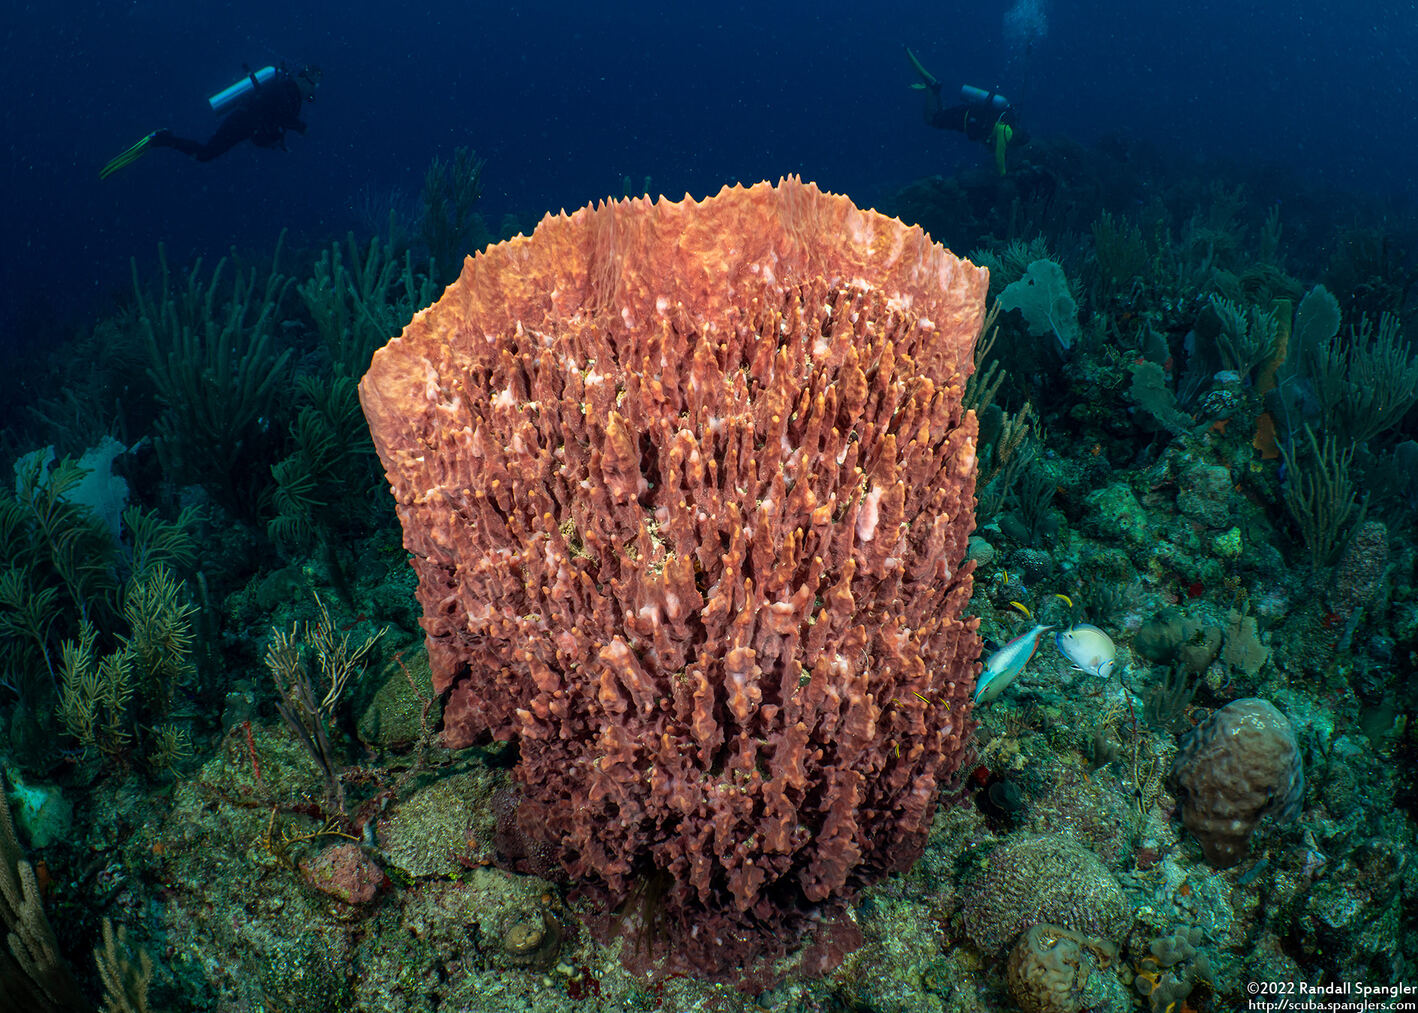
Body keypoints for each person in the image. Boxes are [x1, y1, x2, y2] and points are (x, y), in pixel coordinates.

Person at [100, 64, 322, 179]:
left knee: (206, 154)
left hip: (244, 125)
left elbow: (276, 120)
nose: (313, 92)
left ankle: (164, 139)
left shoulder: (291, 96)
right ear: (304, 79)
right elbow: (278, 114)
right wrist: (300, 127)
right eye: (314, 85)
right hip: (241, 122)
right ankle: (162, 139)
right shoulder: (285, 90)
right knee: (205, 154)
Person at [905, 47, 1027, 176]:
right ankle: (931, 86)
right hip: (965, 118)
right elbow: (999, 154)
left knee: (940, 114)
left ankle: (935, 89)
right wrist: (1003, 174)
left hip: (968, 115)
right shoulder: (1007, 132)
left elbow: (989, 140)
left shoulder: (1008, 122)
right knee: (931, 120)